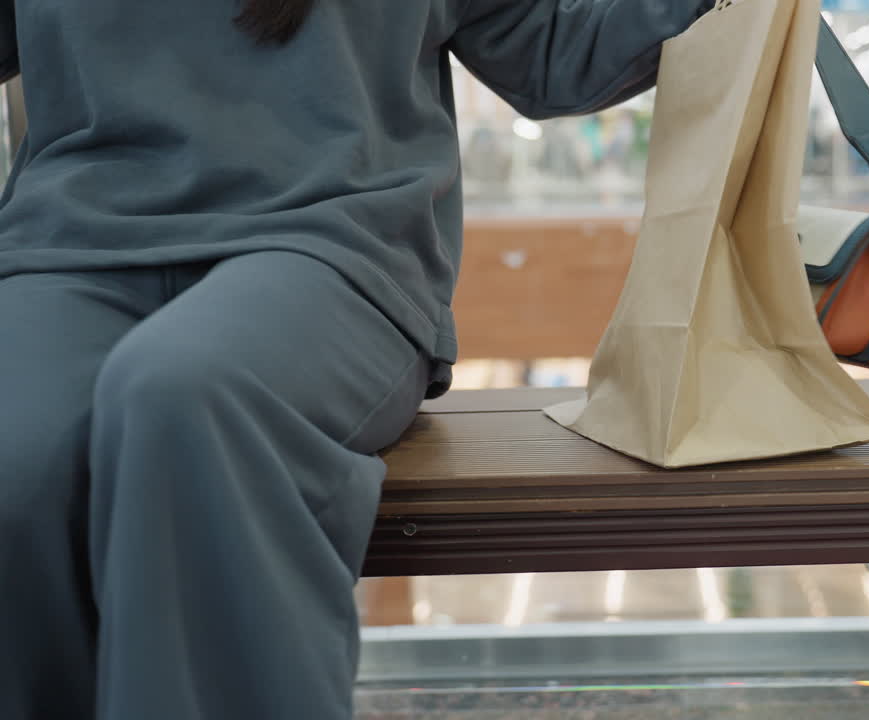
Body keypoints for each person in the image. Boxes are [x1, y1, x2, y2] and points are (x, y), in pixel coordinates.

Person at [0, 0, 714, 718]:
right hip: (71, 243)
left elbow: (548, 49)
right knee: (17, 453)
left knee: (189, 394)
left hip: (331, 243)